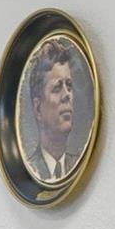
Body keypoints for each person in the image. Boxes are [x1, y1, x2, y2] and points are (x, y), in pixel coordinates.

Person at [24, 38, 85, 182]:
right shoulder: (31, 171)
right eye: (57, 88)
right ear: (38, 109)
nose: (67, 95)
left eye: (69, 86)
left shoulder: (78, 165)